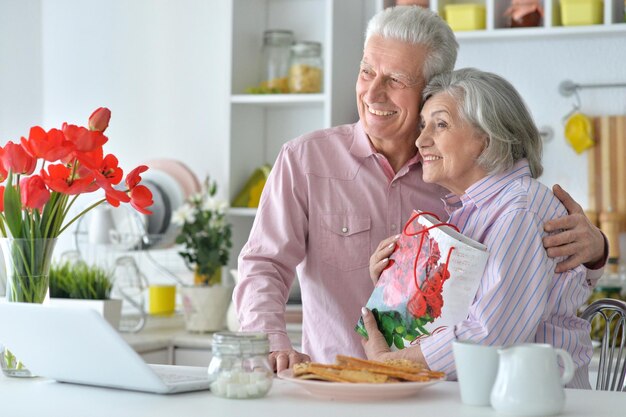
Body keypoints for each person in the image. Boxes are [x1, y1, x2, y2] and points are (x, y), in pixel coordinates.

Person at [234, 6, 605, 373]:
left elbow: (503, 300)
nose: (373, 94)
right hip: (337, 386)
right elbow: (263, 264)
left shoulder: (462, 183)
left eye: (395, 80)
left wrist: (595, 252)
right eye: (366, 72)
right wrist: (272, 343)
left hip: (437, 394)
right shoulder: (305, 160)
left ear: (431, 90)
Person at [361, 68, 593, 389]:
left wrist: (393, 362)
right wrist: (396, 287)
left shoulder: (518, 210)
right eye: (423, 125)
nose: (420, 140)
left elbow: (491, 334)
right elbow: (452, 313)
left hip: (533, 400)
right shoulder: (472, 211)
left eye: (440, 125)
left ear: (486, 138)